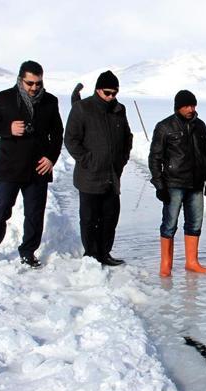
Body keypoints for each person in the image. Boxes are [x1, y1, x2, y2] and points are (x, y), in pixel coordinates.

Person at [0, 60, 63, 267]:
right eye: (30, 83)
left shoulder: (50, 101)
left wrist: (51, 158)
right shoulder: (3, 98)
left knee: (34, 213)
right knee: (1, 209)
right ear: (20, 80)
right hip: (10, 167)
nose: (34, 88)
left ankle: (28, 252)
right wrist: (8, 128)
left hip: (38, 168)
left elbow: (57, 134)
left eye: (38, 83)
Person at [64, 70, 133, 266]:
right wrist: (88, 160)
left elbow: (127, 137)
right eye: (107, 92)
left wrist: (122, 159)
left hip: (112, 174)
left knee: (110, 216)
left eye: (115, 93)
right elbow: (71, 139)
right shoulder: (82, 108)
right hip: (90, 175)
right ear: (98, 90)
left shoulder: (119, 109)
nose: (111, 97)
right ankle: (91, 254)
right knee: (89, 218)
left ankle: (104, 252)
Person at [149, 90, 206, 276]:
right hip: (174, 184)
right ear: (178, 107)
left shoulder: (200, 126)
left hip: (196, 184)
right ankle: (166, 264)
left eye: (193, 106)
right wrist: (159, 185)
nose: (190, 109)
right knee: (169, 224)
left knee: (194, 224)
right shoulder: (165, 127)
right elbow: (155, 158)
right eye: (186, 106)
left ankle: (192, 262)